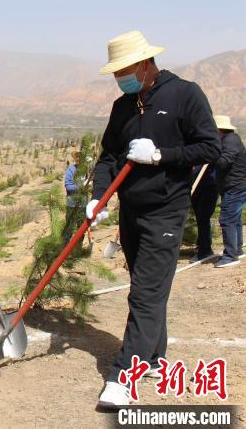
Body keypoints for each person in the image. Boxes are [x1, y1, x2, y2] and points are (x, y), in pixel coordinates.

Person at [88, 31, 220, 408]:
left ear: (145, 64)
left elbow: (210, 146)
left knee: (145, 292)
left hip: (166, 209)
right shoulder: (123, 106)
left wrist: (161, 155)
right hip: (131, 212)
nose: (120, 79)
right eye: (116, 73)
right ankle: (153, 357)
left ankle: (122, 378)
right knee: (147, 287)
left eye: (125, 71)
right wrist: (98, 197)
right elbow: (109, 156)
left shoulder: (185, 95)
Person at [213, 115, 246, 268]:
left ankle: (230, 256)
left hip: (236, 186)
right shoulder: (226, 140)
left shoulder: (230, 140)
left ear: (218, 129)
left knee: (227, 219)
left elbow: (224, 161)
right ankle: (237, 249)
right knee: (234, 218)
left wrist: (211, 155)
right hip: (233, 186)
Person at [190, 165, 218, 262]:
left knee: (203, 218)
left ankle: (204, 250)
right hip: (194, 187)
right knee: (200, 219)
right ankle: (203, 246)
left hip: (209, 187)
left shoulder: (208, 154)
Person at [63, 151, 90, 243]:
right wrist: (82, 186)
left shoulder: (87, 171)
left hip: (83, 203)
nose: (79, 160)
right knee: (69, 228)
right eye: (78, 158)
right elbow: (68, 186)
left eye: (81, 158)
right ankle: (65, 247)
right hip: (72, 203)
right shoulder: (71, 170)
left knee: (81, 228)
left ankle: (78, 248)